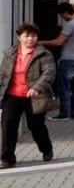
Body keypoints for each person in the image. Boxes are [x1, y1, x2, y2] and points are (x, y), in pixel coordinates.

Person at [1, 23, 56, 168]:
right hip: (12, 94)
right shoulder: (10, 54)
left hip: (34, 96)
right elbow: (3, 75)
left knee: (36, 125)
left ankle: (46, 149)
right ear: (19, 37)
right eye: (26, 36)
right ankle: (7, 158)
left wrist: (38, 87)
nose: (30, 39)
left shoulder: (43, 54)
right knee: (8, 124)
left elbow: (49, 72)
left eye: (33, 36)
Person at [40, 2, 74, 120]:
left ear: (66, 12)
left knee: (64, 88)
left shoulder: (70, 25)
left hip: (69, 60)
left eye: (62, 15)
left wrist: (40, 42)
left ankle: (64, 114)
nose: (61, 18)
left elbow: (58, 42)